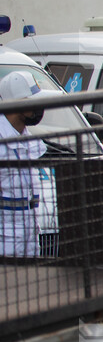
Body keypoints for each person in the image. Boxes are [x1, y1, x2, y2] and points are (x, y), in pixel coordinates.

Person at [0, 71, 55, 257]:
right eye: (34, 102)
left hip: (30, 235)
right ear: (17, 104)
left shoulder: (28, 138)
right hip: (4, 241)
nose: (40, 109)